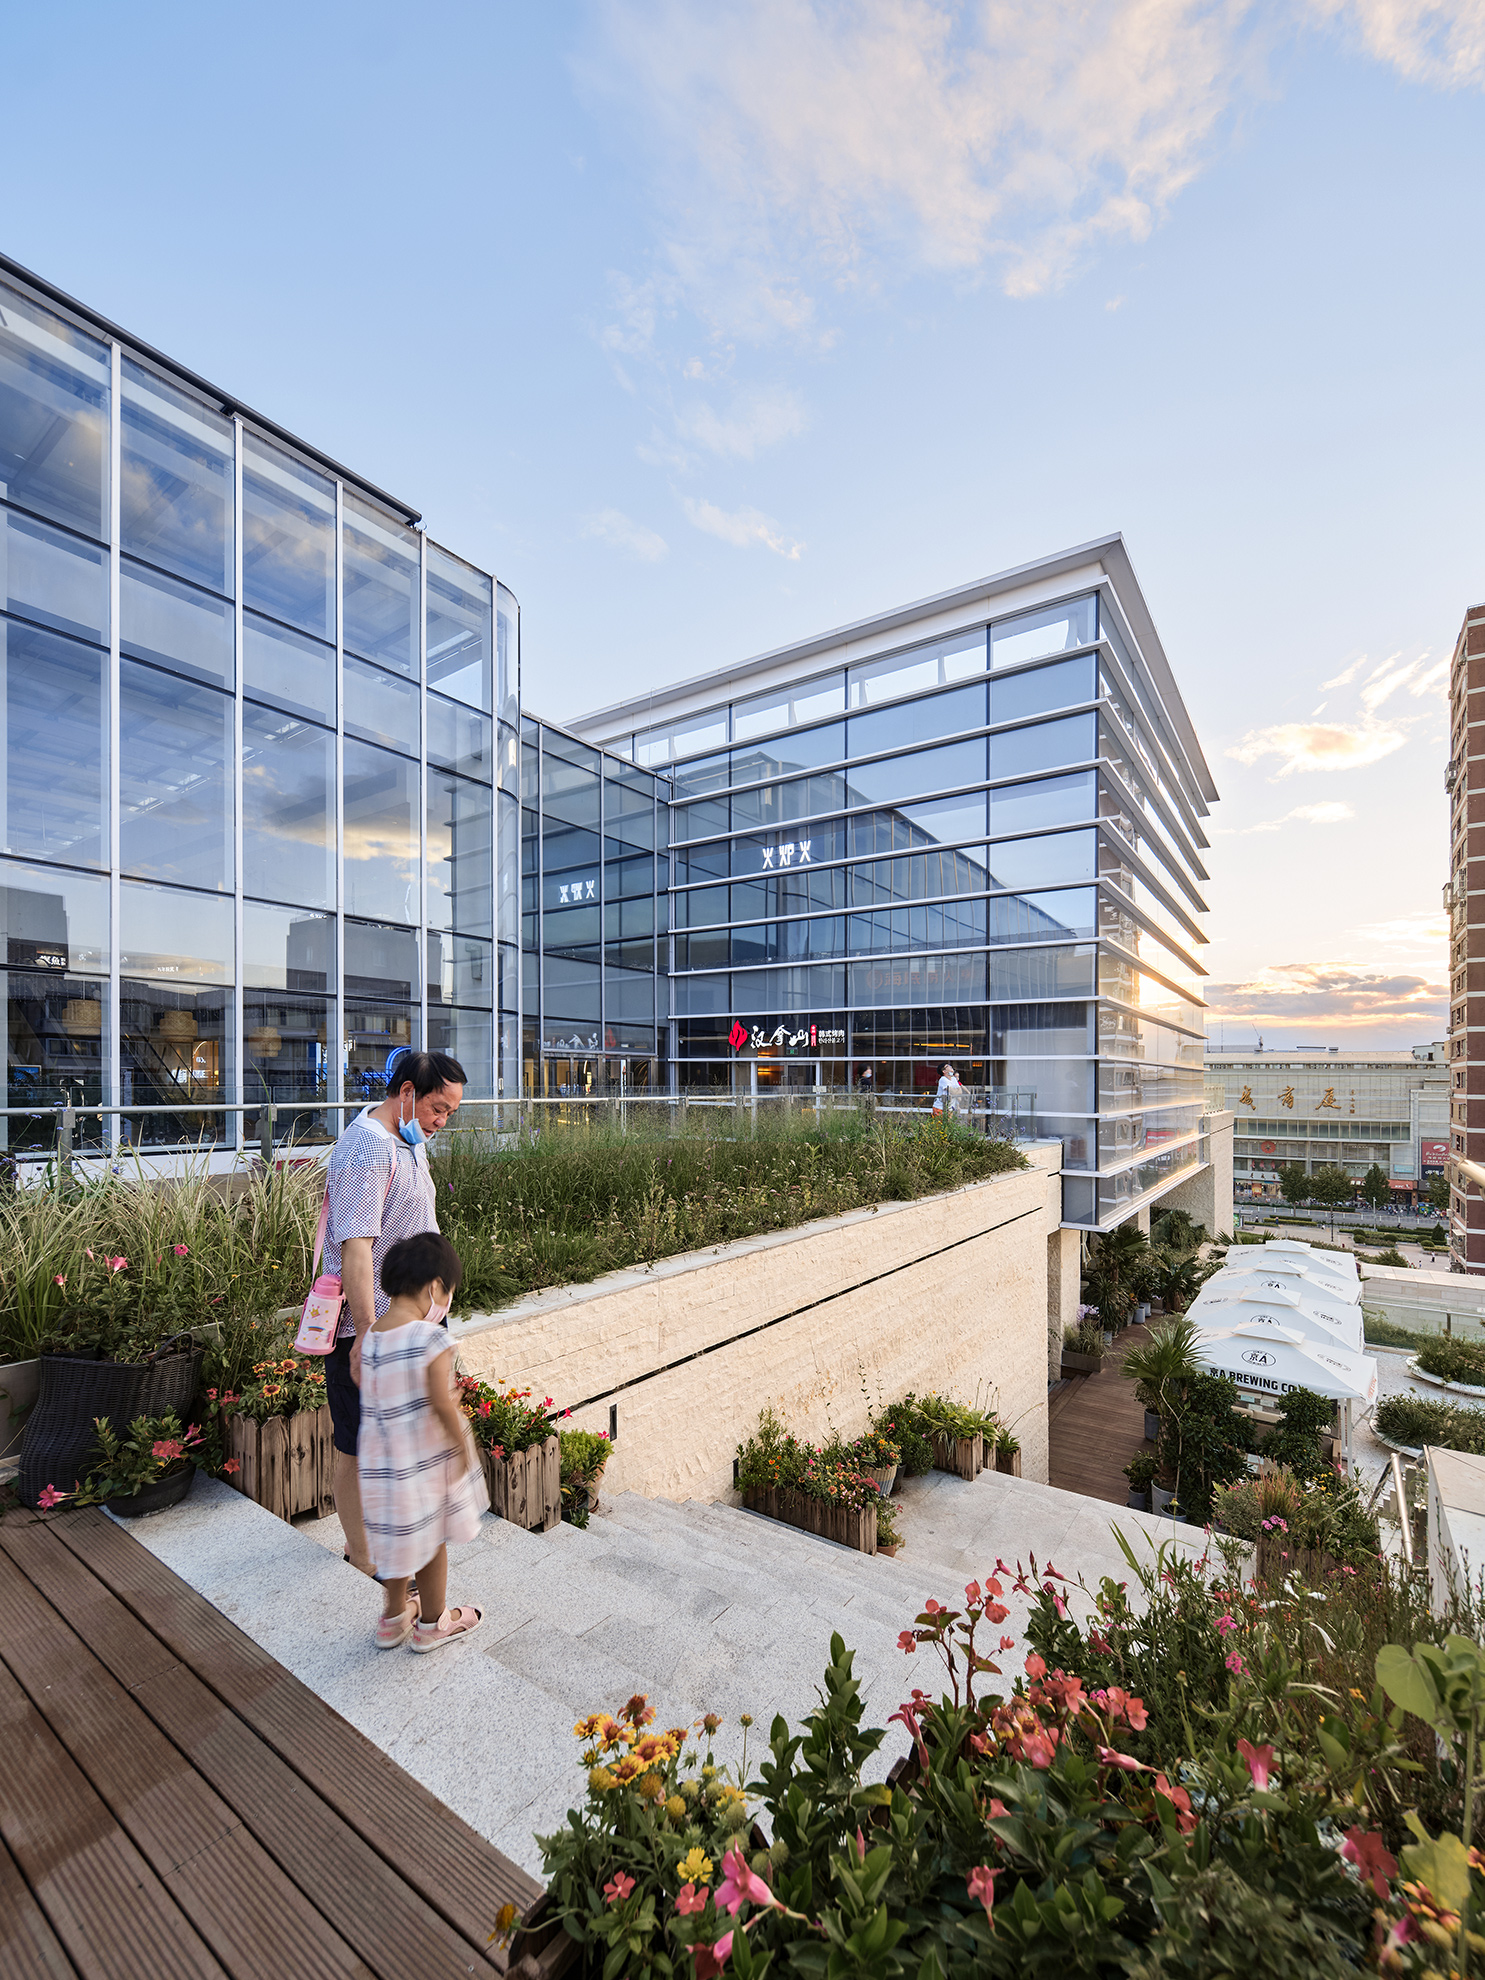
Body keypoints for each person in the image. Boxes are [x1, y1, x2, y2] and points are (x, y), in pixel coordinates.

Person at [322, 1047, 466, 1574]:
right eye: (437, 1109)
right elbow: (356, 1251)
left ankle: (393, 1559)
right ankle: (365, 1560)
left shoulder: (407, 1139)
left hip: (413, 1324)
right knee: (359, 1446)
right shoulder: (367, 1149)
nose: (441, 1122)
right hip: (379, 1329)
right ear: (406, 1092)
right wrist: (366, 1336)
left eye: (450, 1113)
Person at [358, 1231, 486, 1651]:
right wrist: (462, 1447)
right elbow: (439, 1403)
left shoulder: (373, 1337)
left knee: (394, 1542)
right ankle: (433, 1624)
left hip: (380, 1468)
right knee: (432, 1543)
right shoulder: (433, 1339)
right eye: (448, 1293)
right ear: (435, 1287)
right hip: (422, 1464)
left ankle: (393, 1618)